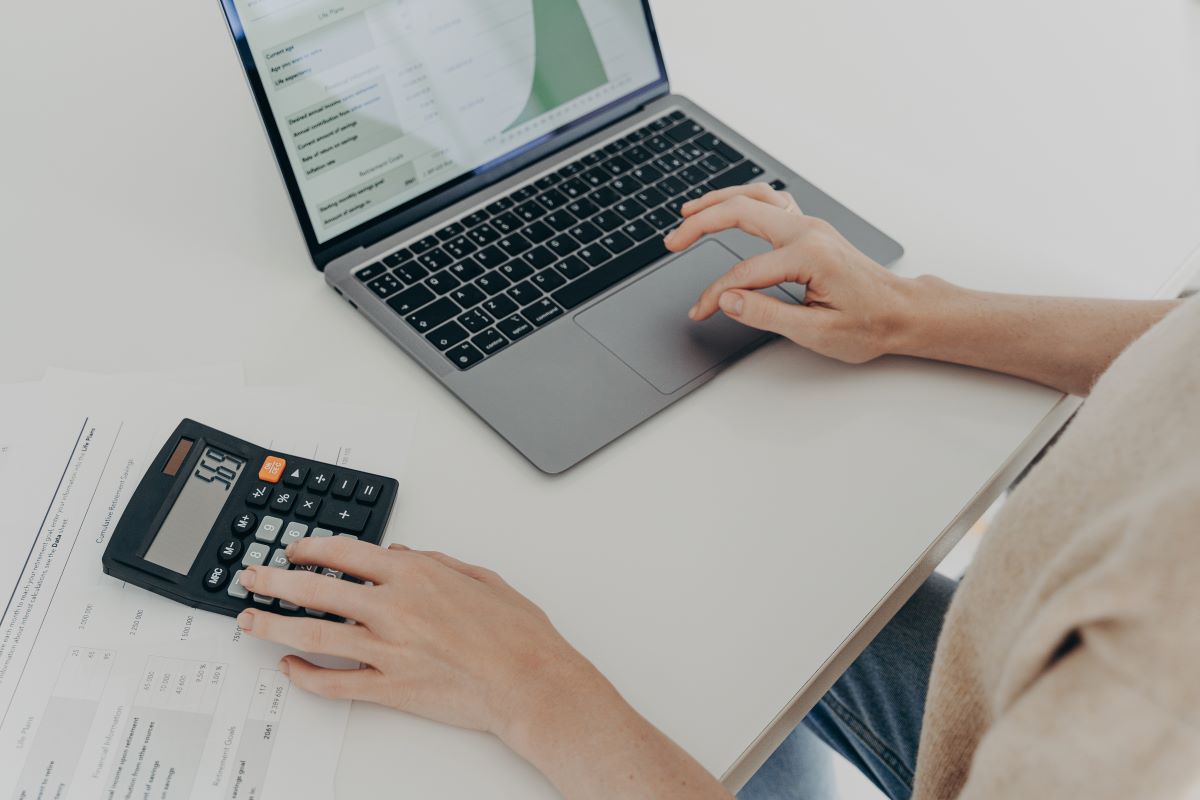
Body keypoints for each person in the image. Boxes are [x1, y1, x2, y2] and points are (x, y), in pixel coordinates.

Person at [231, 184, 1200, 799]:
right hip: (1040, 651)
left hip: (1065, 727)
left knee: (683, 669)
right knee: (783, 592)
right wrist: (912, 311)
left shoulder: (1145, 694)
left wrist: (531, 687)